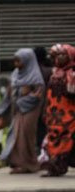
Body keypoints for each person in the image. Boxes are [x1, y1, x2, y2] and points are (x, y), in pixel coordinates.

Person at [0, 48, 45, 174]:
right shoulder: (15, 74)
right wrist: (2, 111)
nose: (16, 64)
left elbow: (37, 96)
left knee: (25, 136)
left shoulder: (35, 77)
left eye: (19, 61)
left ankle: (29, 164)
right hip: (16, 111)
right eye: (15, 60)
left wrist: (21, 100)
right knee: (14, 135)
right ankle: (17, 162)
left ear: (28, 61)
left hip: (29, 111)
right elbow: (8, 93)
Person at [39, 44, 75, 177]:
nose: (58, 59)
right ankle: (55, 167)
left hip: (69, 115)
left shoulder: (71, 73)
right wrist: (45, 111)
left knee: (66, 141)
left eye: (62, 55)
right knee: (53, 140)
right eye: (56, 56)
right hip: (54, 114)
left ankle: (58, 167)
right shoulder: (55, 73)